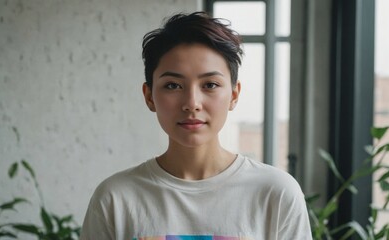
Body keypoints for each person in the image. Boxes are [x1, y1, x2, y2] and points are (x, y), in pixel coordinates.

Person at [80, 12, 312, 240]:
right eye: (172, 85)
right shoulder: (116, 198)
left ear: (233, 95)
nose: (192, 103)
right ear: (149, 96)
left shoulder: (275, 193)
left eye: (210, 84)